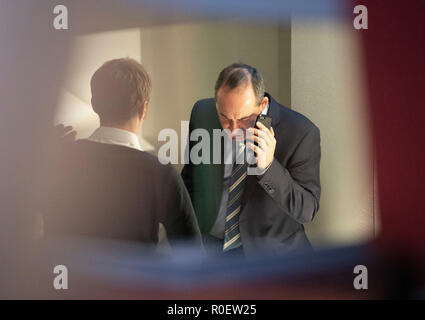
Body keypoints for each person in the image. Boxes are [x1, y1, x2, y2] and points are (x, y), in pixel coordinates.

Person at [42, 58, 202, 247]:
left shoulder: (55, 161)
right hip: (131, 277)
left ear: (95, 104)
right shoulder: (161, 174)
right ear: (144, 109)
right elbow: (192, 255)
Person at [182, 63, 321, 256]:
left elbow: (307, 210)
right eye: (224, 117)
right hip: (210, 251)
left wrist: (269, 168)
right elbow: (189, 181)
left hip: (270, 258)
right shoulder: (203, 113)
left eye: (244, 119)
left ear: (262, 105)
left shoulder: (301, 133)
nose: (233, 130)